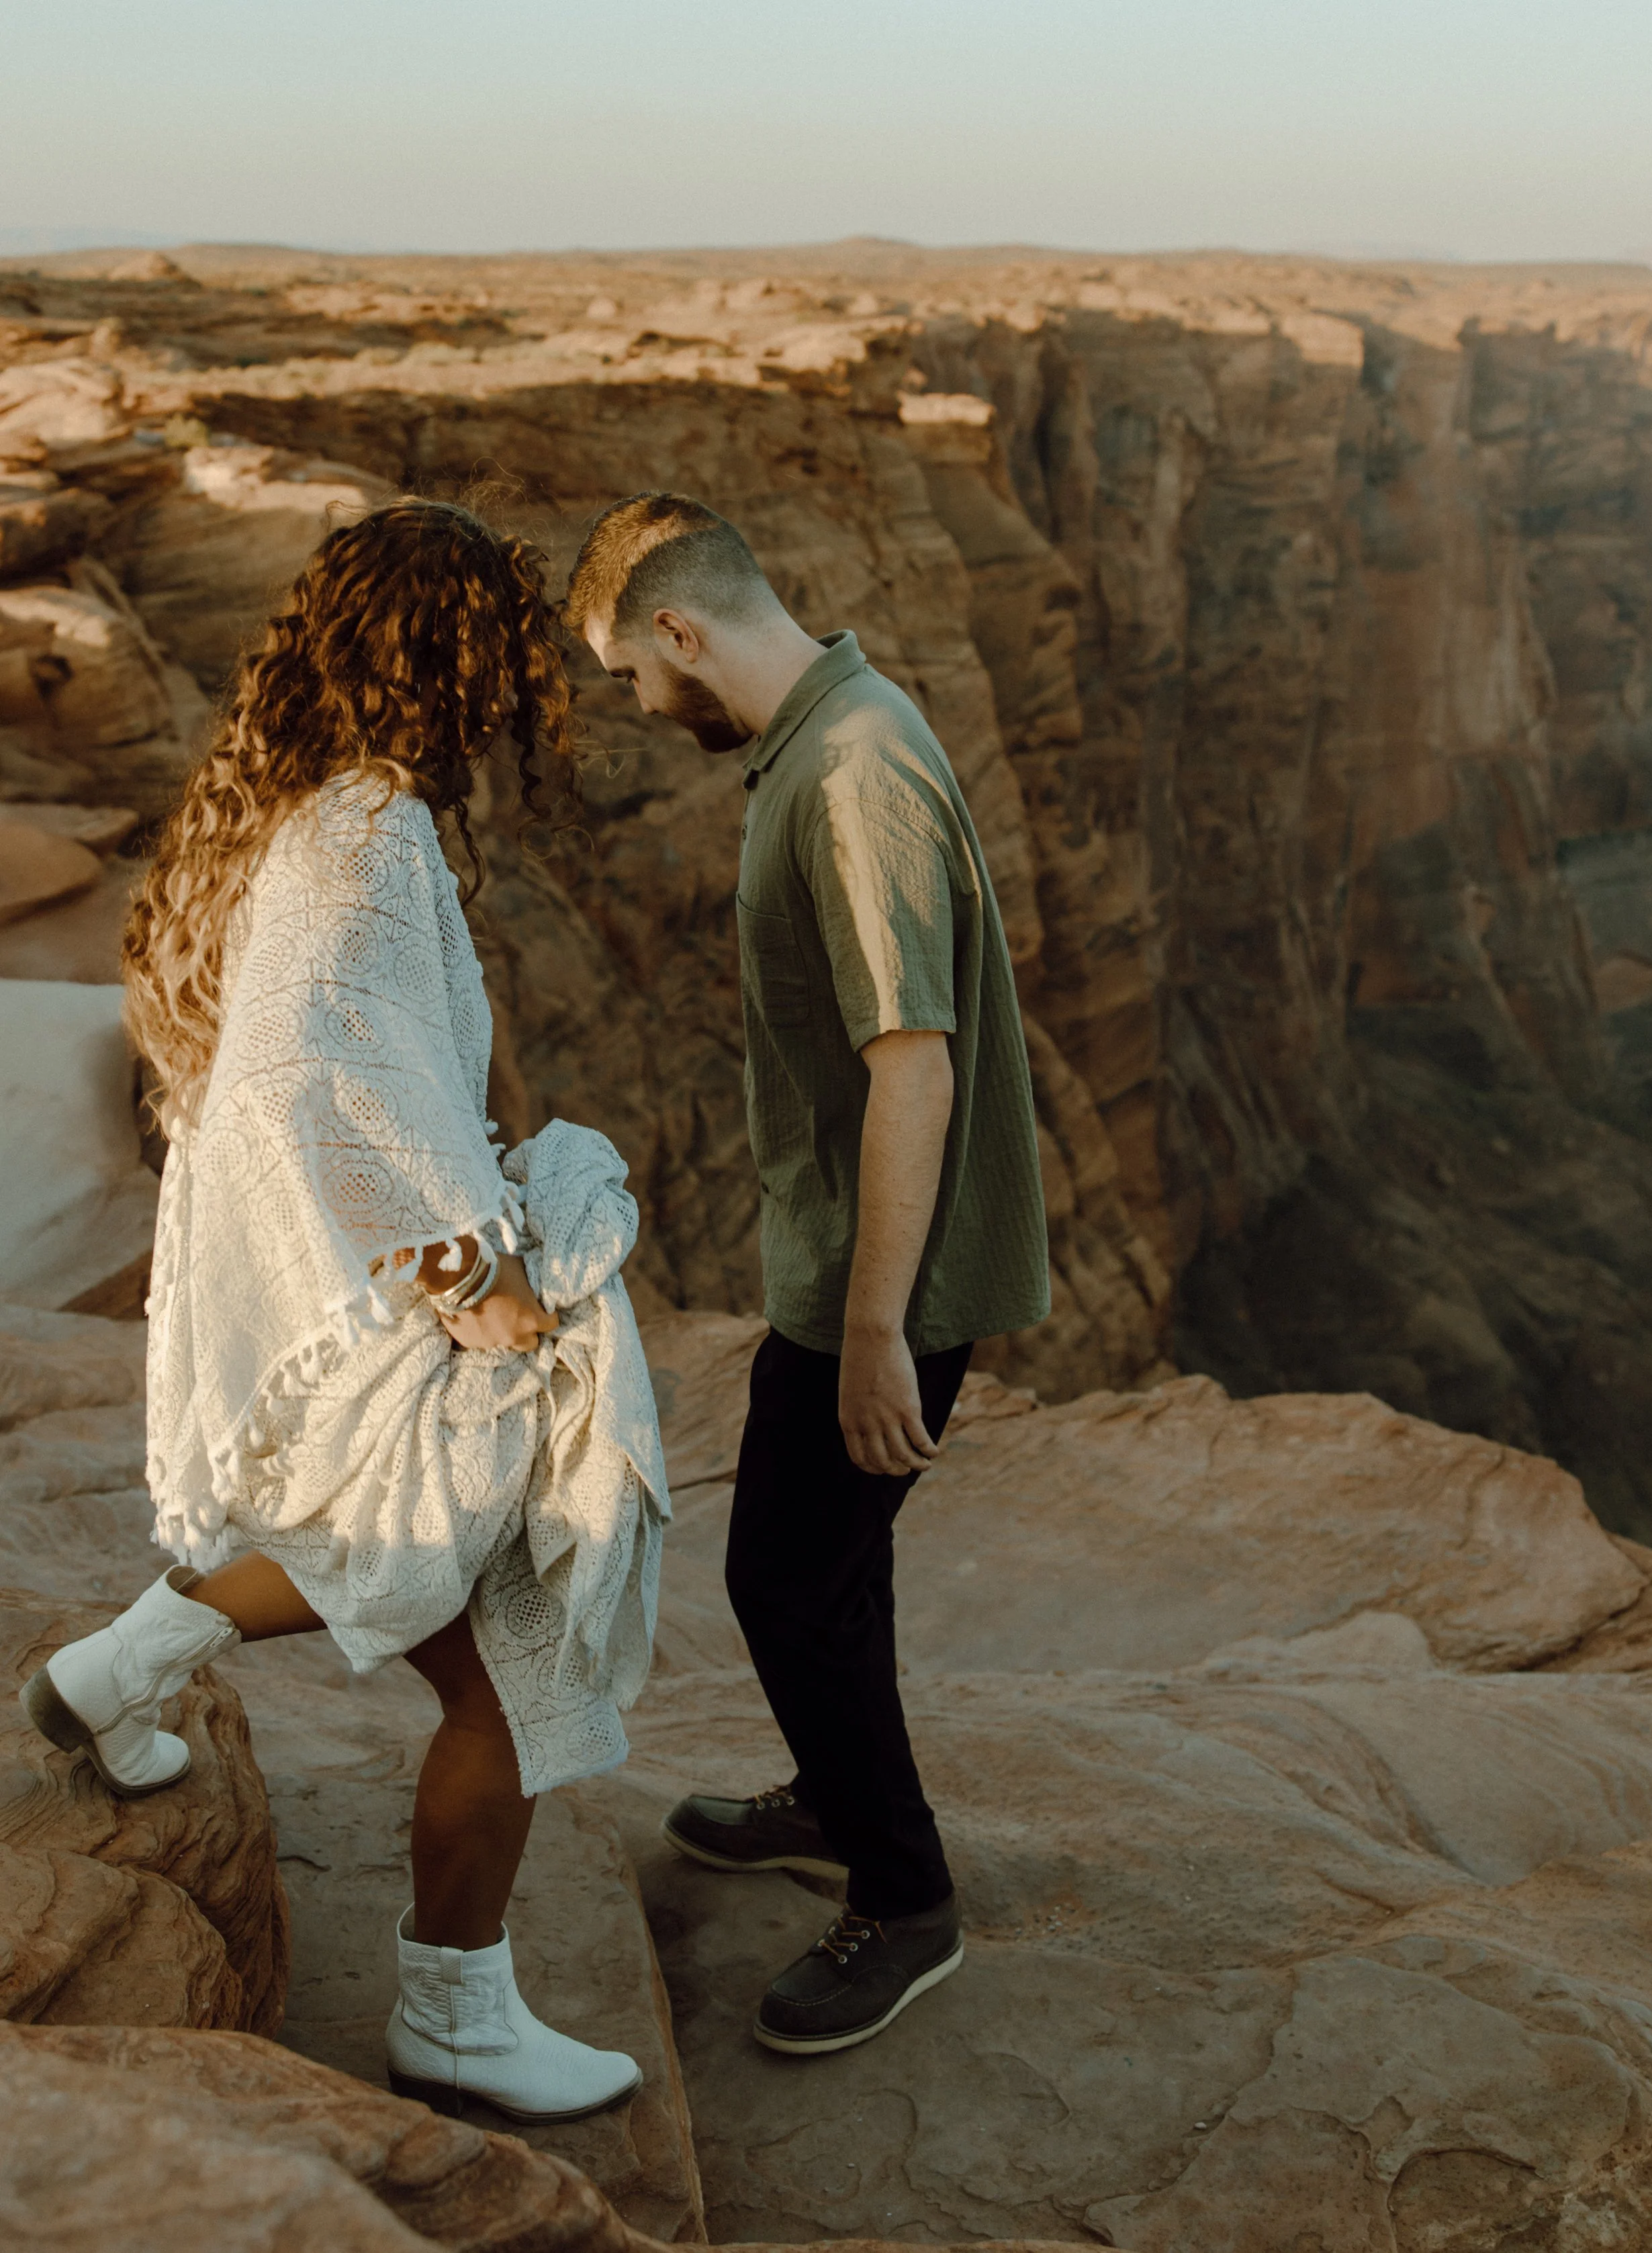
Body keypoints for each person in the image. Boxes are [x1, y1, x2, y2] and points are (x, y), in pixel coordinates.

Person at [20, 499, 670, 2124]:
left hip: (348, 1269)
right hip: (396, 1285)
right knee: (508, 1665)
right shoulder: (368, 834)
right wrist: (471, 1270)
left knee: (389, 1537)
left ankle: (114, 1672)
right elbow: (312, 1058)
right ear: (455, 662)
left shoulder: (294, 808)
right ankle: (451, 2013)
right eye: (504, 652)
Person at [569, 492, 1050, 2054]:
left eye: (631, 677)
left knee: (778, 1579)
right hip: (848, 1262)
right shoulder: (828, 732)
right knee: (829, 1569)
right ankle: (836, 1795)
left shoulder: (852, 774)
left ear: (679, 633)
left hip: (881, 1280)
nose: (639, 711)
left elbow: (910, 1062)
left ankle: (901, 1898)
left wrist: (870, 1336)